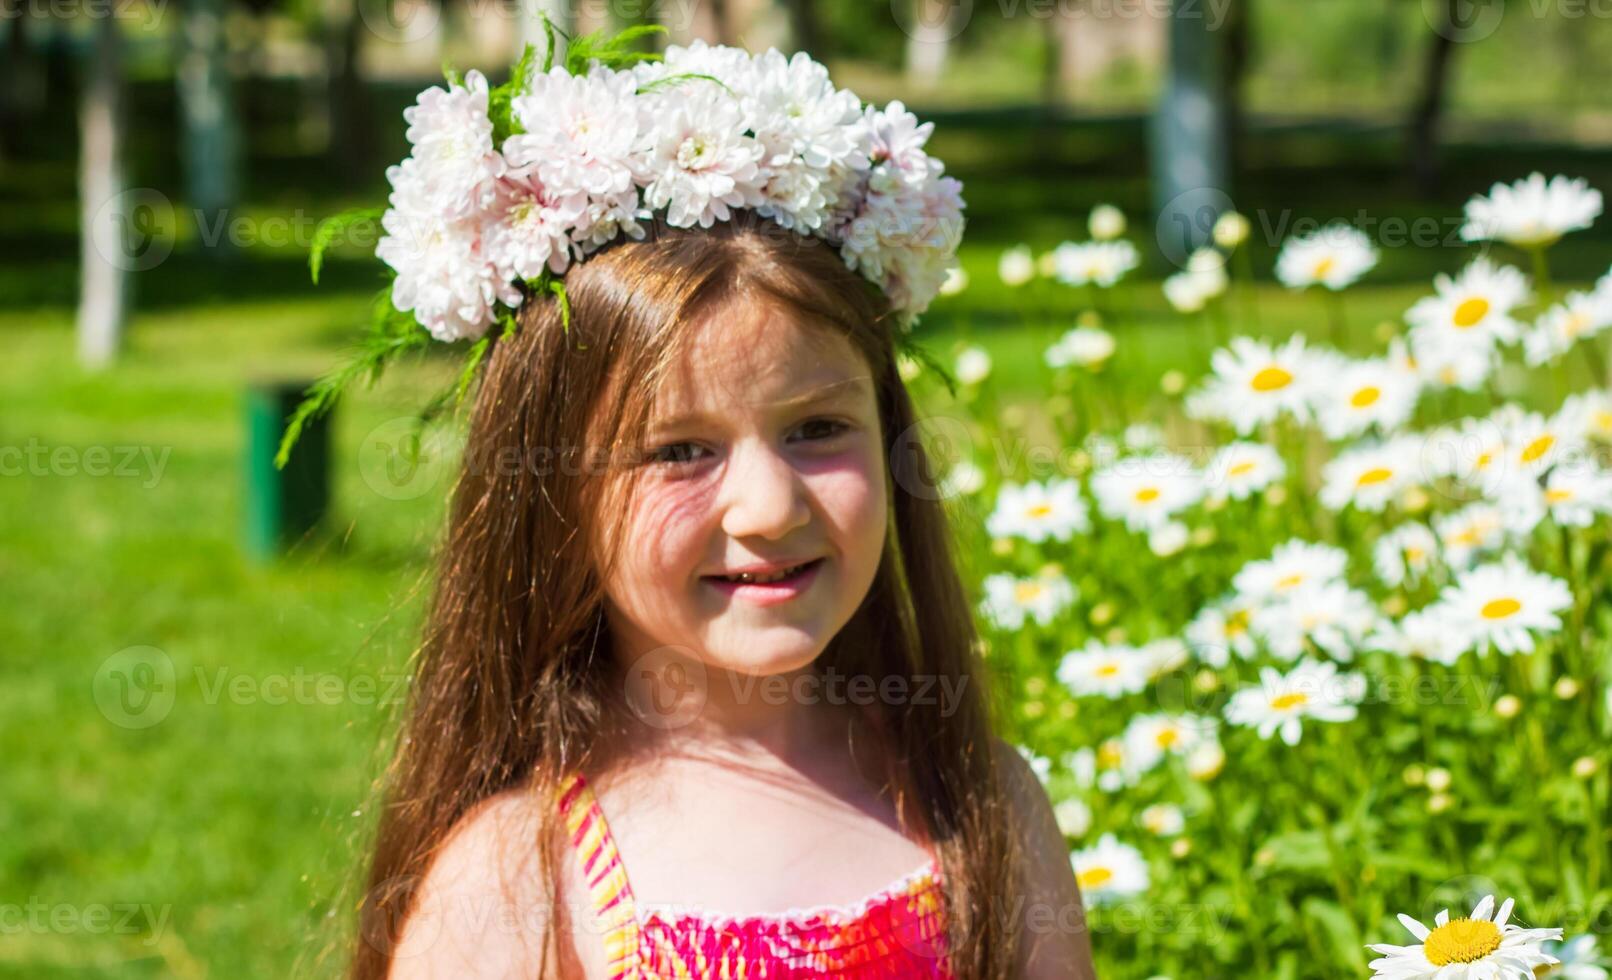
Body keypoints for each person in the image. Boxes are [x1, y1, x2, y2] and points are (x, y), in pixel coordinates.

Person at [330, 36, 1096, 980]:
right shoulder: (516, 884)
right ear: (551, 495)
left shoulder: (985, 815)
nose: (769, 507)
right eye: (679, 451)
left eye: (818, 429)